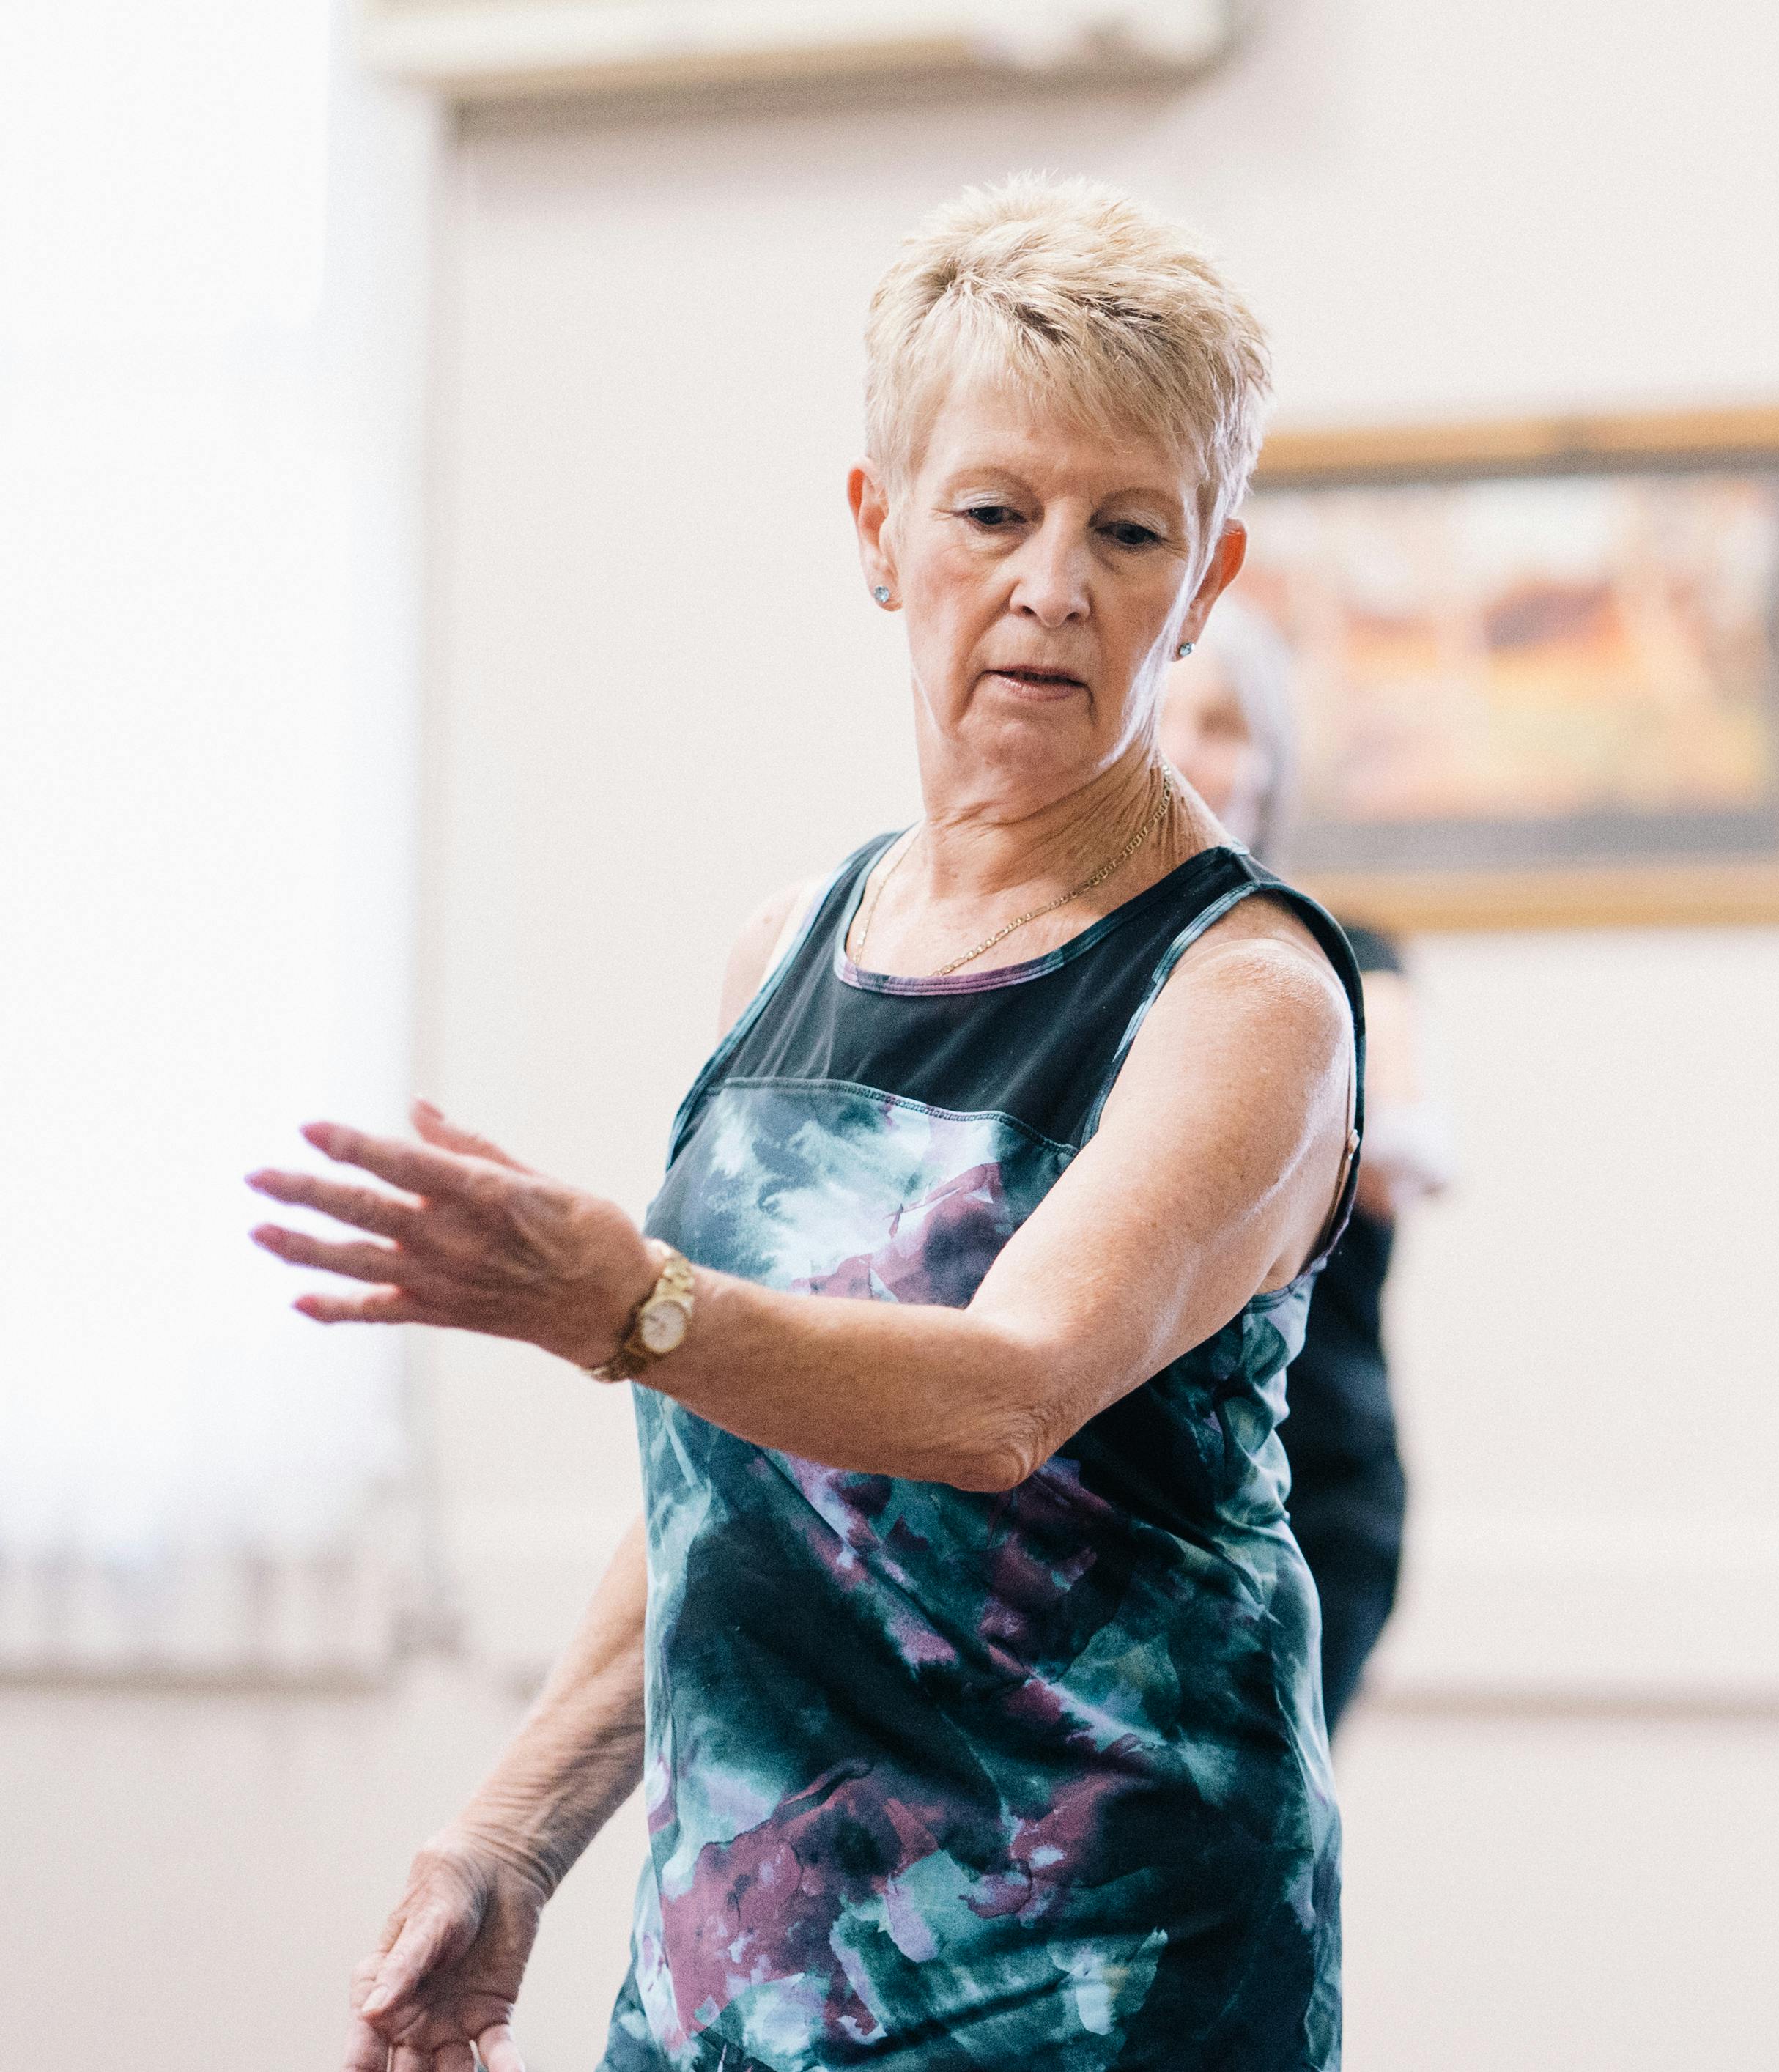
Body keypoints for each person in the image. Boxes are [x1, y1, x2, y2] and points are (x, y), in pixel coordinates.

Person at [248, 174, 1356, 2072]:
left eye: (1129, 530)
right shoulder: (789, 945)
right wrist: (515, 1831)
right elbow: (738, 1488)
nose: (1051, 585)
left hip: (1095, 1979)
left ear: (1211, 575)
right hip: (743, 1969)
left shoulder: (1244, 994)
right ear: (878, 525)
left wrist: (631, 1305)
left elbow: (1003, 1393)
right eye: (995, 512)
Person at [1158, 609, 1454, 1728]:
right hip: (1111, 1511)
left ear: (1274, 763)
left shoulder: (1338, 958)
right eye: (1165, 717)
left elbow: (1411, 1148)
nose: (1188, 750)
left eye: (1225, 724)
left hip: (1298, 1496)